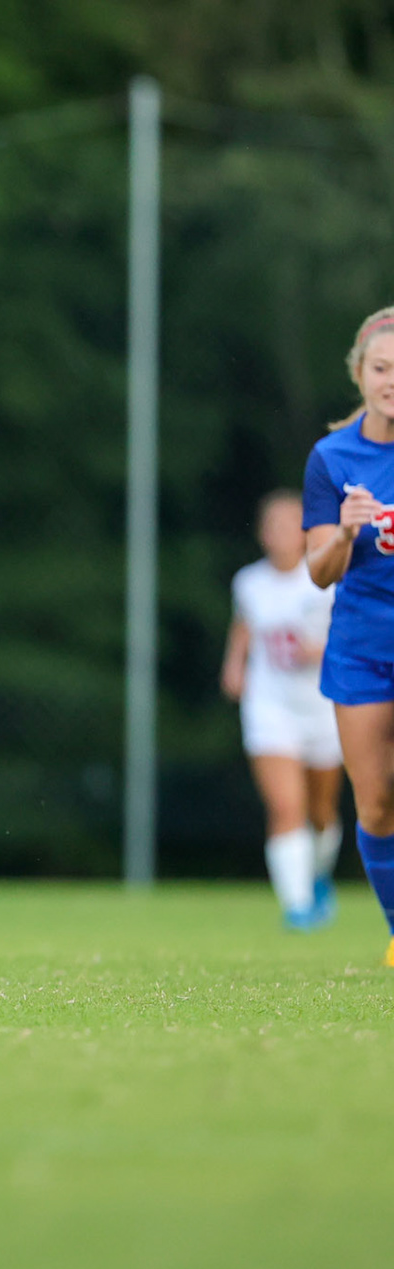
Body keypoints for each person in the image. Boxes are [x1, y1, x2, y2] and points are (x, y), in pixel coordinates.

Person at [304, 304, 394, 965]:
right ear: (359, 375)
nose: (392, 380)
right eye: (381, 368)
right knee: (378, 801)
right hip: (363, 647)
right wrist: (344, 530)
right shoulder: (332, 458)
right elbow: (317, 572)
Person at [220, 490, 343, 929]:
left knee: (321, 813)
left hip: (324, 707)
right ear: (261, 534)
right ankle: (298, 906)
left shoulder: (326, 578)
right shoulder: (249, 581)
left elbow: (357, 639)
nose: (281, 534)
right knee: (286, 807)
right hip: (270, 707)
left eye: (290, 525)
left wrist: (323, 650)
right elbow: (244, 626)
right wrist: (234, 666)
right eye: (272, 526)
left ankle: (318, 876)